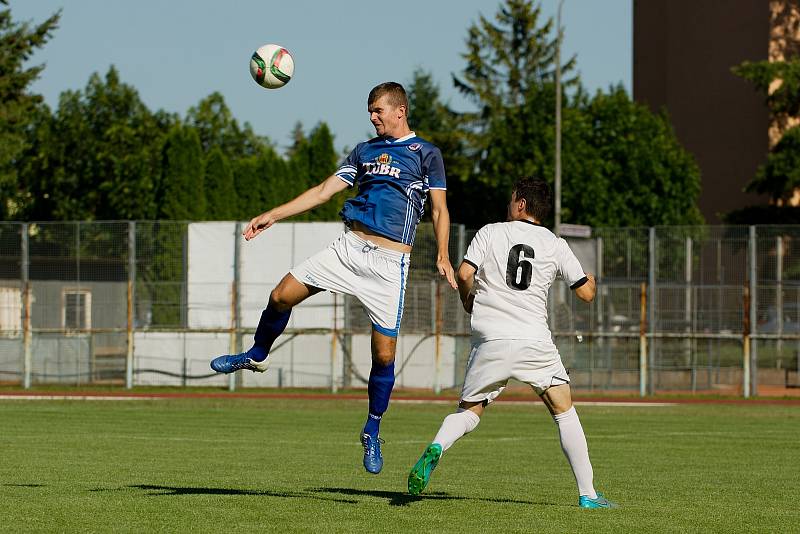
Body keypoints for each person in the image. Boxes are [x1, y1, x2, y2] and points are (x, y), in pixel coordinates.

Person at [210, 82, 456, 475]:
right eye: (369, 110)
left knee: (384, 355)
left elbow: (440, 210)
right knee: (281, 295)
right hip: (349, 248)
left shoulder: (426, 153)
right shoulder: (365, 150)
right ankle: (256, 354)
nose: (372, 117)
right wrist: (274, 213)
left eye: (378, 110)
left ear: (400, 110)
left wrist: (442, 253)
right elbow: (325, 190)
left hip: (390, 265)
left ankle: (372, 428)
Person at [406, 179, 617, 509]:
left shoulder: (490, 232)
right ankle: (588, 494)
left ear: (521, 204)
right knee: (564, 411)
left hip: (490, 339)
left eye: (511, 199)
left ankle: (436, 447)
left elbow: (463, 274)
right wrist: (591, 281)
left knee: (469, 412)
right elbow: (586, 294)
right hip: (534, 339)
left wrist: (467, 299)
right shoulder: (554, 243)